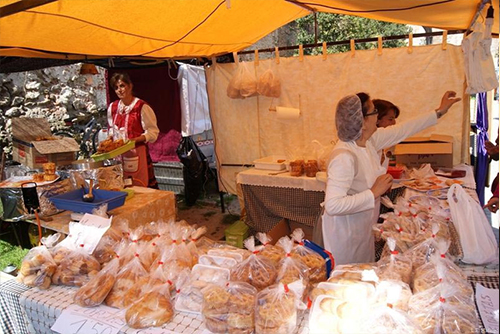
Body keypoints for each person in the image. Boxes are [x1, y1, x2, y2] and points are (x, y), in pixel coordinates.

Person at [322, 91, 461, 265]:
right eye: (374, 112)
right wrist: (373, 192)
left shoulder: (369, 141)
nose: (377, 116)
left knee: (364, 272)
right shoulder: (344, 156)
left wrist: (439, 111)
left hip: (363, 226)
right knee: (348, 280)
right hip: (346, 233)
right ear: (362, 121)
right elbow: (333, 205)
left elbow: (403, 129)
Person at [107, 72, 160, 188]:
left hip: (136, 154)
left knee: (138, 186)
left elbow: (153, 132)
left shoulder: (141, 107)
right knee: (121, 186)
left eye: (122, 86)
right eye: (116, 87)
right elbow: (112, 129)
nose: (119, 90)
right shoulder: (113, 107)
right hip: (118, 156)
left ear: (130, 86)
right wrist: (110, 140)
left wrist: (133, 140)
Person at [373, 99, 400, 169]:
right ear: (377, 120)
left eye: (394, 119)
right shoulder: (371, 141)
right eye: (390, 119)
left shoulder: (385, 141)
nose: (394, 123)